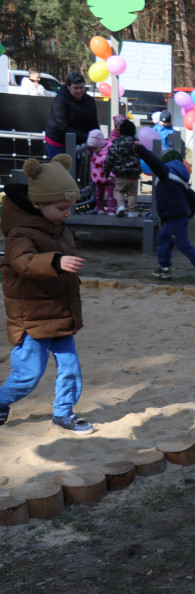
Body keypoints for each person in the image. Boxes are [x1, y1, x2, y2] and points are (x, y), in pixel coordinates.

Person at [0, 155, 94, 434]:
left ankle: (63, 413)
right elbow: (23, 262)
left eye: (71, 207)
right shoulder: (19, 233)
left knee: (71, 369)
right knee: (28, 374)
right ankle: (2, 400)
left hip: (60, 312)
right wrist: (56, 262)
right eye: (62, 207)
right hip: (33, 316)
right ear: (38, 204)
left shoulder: (58, 227)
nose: (68, 213)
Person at [135, 144, 195, 285]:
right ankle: (165, 268)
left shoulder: (165, 172)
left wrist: (140, 149)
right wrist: (189, 213)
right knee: (163, 240)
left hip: (174, 214)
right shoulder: (180, 178)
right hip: (174, 215)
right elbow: (192, 196)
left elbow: (153, 162)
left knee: (183, 244)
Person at [44, 72, 100, 159]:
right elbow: (62, 126)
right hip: (59, 141)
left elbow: (94, 123)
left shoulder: (90, 101)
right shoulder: (60, 100)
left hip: (80, 142)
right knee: (61, 170)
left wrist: (97, 138)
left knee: (77, 170)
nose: (79, 91)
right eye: (75, 88)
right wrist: (87, 137)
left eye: (82, 88)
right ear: (68, 86)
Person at [103, 118, 142, 218]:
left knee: (119, 191)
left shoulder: (115, 143)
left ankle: (121, 206)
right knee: (132, 193)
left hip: (120, 173)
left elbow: (109, 158)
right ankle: (131, 211)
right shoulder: (136, 143)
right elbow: (142, 155)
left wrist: (107, 172)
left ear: (120, 131)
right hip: (133, 174)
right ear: (133, 132)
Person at [86, 129, 116, 216]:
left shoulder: (107, 154)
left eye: (95, 148)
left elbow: (112, 165)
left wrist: (112, 175)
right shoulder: (97, 152)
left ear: (101, 145)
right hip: (98, 179)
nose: (94, 150)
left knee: (109, 195)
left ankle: (111, 210)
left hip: (108, 179)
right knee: (99, 195)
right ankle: (100, 209)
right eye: (92, 149)